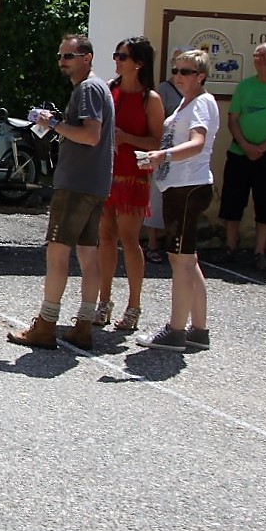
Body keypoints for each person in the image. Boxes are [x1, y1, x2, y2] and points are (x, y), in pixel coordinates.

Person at [8, 34, 114, 351]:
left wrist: (52, 123)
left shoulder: (89, 89)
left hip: (77, 184)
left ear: (87, 57)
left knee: (57, 252)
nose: (62, 61)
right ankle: (83, 325)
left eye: (69, 55)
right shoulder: (97, 88)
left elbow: (91, 135)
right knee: (87, 253)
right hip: (93, 183)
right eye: (60, 56)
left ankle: (46, 324)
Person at [134, 49, 219, 351]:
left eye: (186, 72)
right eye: (176, 70)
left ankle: (175, 330)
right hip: (181, 186)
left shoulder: (200, 105)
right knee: (188, 259)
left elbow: (197, 143)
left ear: (201, 76)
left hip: (187, 187)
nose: (178, 76)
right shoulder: (188, 103)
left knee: (180, 261)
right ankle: (198, 329)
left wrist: (162, 155)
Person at [95, 37, 164, 332]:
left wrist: (127, 138)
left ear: (139, 62)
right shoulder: (110, 90)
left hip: (133, 176)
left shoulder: (151, 99)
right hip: (106, 174)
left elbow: (157, 141)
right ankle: (103, 302)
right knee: (105, 238)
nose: (117, 61)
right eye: (116, 55)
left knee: (130, 240)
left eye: (123, 56)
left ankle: (134, 306)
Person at [217, 42, 266, 271]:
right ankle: (230, 248)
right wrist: (245, 145)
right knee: (233, 202)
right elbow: (233, 119)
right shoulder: (244, 87)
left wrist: (262, 147)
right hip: (239, 154)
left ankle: (259, 252)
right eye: (258, 55)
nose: (262, 59)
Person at [144, 48, 185, 264]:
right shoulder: (163, 90)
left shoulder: (198, 94)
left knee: (177, 201)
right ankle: (152, 244)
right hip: (164, 150)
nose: (181, 73)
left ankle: (174, 244)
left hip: (184, 155)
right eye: (177, 67)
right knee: (156, 198)